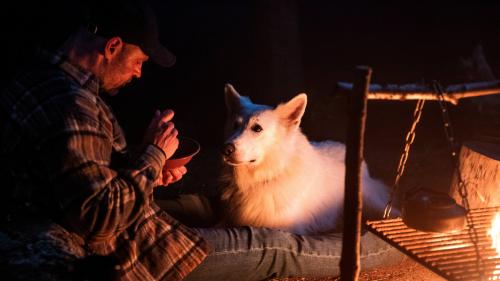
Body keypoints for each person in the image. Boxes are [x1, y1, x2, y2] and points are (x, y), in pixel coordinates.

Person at [0, 1, 404, 280]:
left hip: (108, 233)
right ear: (111, 47)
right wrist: (154, 156)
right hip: (129, 255)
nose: (140, 73)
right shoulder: (73, 106)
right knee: (276, 247)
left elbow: (75, 179)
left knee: (208, 209)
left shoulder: (39, 80)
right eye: (140, 62)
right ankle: (395, 247)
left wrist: (144, 163)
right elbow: (97, 215)